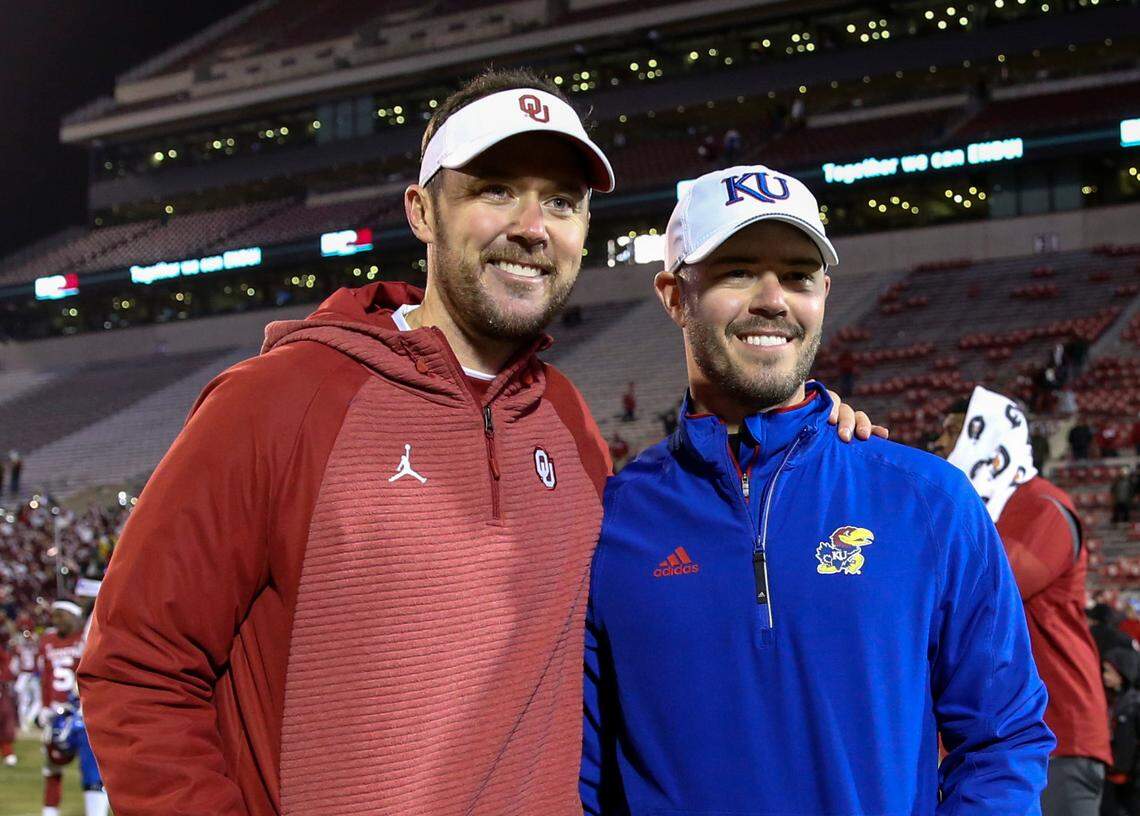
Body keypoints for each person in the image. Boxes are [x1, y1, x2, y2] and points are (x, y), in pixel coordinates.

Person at [80, 72, 877, 816]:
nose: (532, 228)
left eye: (561, 202)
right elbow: (136, 665)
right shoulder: (279, 400)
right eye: (496, 190)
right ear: (422, 212)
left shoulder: (566, 420)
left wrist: (804, 433)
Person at [581, 164, 1052, 815]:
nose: (773, 299)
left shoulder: (928, 500)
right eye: (739, 270)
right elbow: (585, 770)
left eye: (799, 275)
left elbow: (1003, 738)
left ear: (825, 292)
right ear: (673, 295)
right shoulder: (612, 520)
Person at [936, 387, 1112, 816]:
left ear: (988, 436)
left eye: (953, 432)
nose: (939, 446)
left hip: (1057, 730)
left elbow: (986, 591)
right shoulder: (983, 511)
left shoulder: (1044, 507)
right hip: (994, 733)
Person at [38, 600, 107, 816]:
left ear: (75, 616)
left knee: (92, 767)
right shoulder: (48, 640)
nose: (56, 621)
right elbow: (46, 677)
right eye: (55, 616)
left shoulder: (85, 638)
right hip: (57, 713)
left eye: (61, 615)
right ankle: (49, 812)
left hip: (82, 710)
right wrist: (44, 706)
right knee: (52, 764)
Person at [1102, 648, 1140, 816]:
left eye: (1108, 672)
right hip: (1116, 777)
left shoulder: (1132, 705)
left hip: (1129, 781)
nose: (1104, 676)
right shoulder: (1113, 700)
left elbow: (1128, 745)